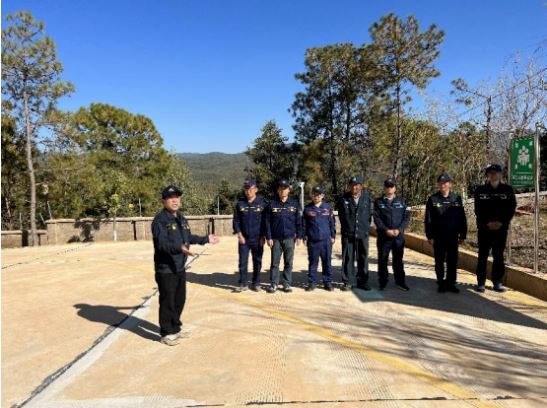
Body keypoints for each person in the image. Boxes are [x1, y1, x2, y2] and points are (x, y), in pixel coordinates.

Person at [152, 185, 220, 346]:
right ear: (164, 201)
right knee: (167, 302)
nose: (175, 200)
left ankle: (175, 328)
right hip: (166, 269)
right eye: (171, 198)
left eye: (177, 197)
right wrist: (179, 248)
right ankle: (166, 333)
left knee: (179, 300)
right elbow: (161, 244)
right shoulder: (160, 220)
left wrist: (205, 239)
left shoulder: (181, 218)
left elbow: (188, 237)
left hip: (180, 267)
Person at [474, 164, 516, 293]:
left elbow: (511, 208)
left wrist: (501, 222)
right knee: (482, 255)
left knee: (498, 256)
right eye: (491, 173)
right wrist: (487, 223)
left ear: (500, 174)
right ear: (487, 175)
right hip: (484, 229)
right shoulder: (480, 190)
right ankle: (481, 282)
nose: (493, 175)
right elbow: (478, 210)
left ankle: (497, 282)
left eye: (496, 172)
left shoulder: (508, 190)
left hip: (501, 229)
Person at [425, 175, 467, 293]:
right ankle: (440, 282)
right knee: (439, 260)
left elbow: (462, 217)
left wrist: (463, 234)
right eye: (440, 182)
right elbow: (428, 219)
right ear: (438, 184)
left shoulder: (456, 198)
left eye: (445, 182)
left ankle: (451, 283)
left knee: (452, 260)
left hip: (453, 236)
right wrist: (429, 236)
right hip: (438, 236)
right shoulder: (433, 199)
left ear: (450, 184)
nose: (443, 184)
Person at [264, 179, 302, 293]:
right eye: (280, 188)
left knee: (288, 263)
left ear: (289, 190)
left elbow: (299, 222)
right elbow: (267, 222)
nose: (282, 190)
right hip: (275, 239)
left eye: (285, 188)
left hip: (290, 239)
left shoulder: (294, 204)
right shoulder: (271, 204)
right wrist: (268, 237)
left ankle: (286, 283)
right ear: (277, 190)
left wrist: (299, 236)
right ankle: (274, 284)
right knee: (275, 263)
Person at [373, 178, 410, 291]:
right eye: (387, 186)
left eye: (391, 186)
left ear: (395, 188)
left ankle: (400, 282)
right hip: (384, 237)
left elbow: (406, 218)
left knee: (398, 260)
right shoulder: (378, 202)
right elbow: (377, 219)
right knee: (383, 260)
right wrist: (386, 230)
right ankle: (383, 282)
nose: (389, 188)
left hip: (398, 237)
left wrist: (399, 230)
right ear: (384, 188)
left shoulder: (402, 201)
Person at [337, 176, 372, 291]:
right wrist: (347, 228)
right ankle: (348, 282)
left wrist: (365, 228)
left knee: (363, 258)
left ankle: (363, 282)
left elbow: (368, 216)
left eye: (356, 185)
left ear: (361, 186)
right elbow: (341, 217)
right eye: (352, 185)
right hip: (348, 234)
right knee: (348, 258)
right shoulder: (343, 199)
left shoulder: (367, 198)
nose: (354, 187)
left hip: (362, 233)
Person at [232, 179, 268, 292]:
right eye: (246, 189)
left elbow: (266, 222)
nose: (248, 191)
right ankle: (243, 283)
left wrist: (263, 236)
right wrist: (239, 235)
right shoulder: (240, 204)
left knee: (257, 262)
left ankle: (256, 283)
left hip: (258, 239)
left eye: (251, 189)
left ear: (256, 189)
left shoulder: (262, 203)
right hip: (244, 239)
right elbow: (236, 221)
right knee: (243, 262)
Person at [302, 185, 336, 291]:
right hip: (313, 241)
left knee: (327, 262)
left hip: (326, 240)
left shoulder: (328, 207)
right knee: (313, 262)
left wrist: (333, 236)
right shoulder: (307, 209)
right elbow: (304, 225)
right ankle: (312, 283)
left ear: (322, 196)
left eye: (319, 194)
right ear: (311, 195)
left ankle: (328, 282)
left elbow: (332, 223)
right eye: (314, 194)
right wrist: (304, 236)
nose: (316, 196)